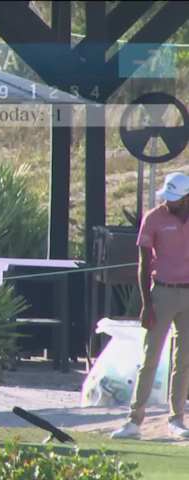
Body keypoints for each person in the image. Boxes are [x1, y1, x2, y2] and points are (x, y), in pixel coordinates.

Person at [112, 172, 189, 440]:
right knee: (150, 359)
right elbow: (144, 263)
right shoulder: (154, 218)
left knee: (184, 361)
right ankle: (134, 421)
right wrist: (146, 304)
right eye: (167, 198)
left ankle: (177, 419)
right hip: (162, 293)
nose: (170, 203)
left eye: (175, 199)